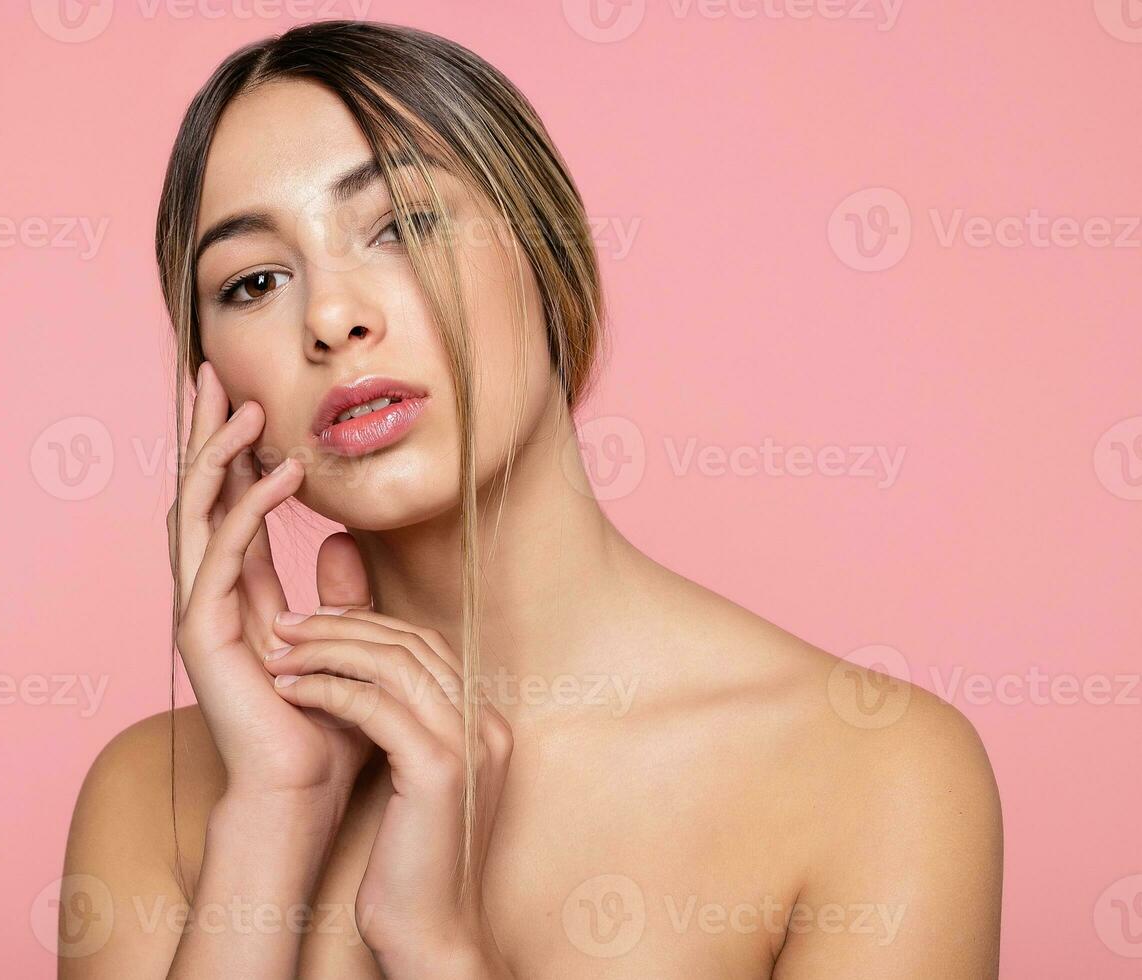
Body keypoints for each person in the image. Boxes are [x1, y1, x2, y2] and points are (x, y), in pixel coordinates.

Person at [61, 20, 1002, 978]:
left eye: (404, 226)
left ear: (546, 251)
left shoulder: (871, 772)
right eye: (255, 281)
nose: (333, 320)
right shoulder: (162, 796)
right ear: (214, 379)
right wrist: (276, 811)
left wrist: (436, 949)